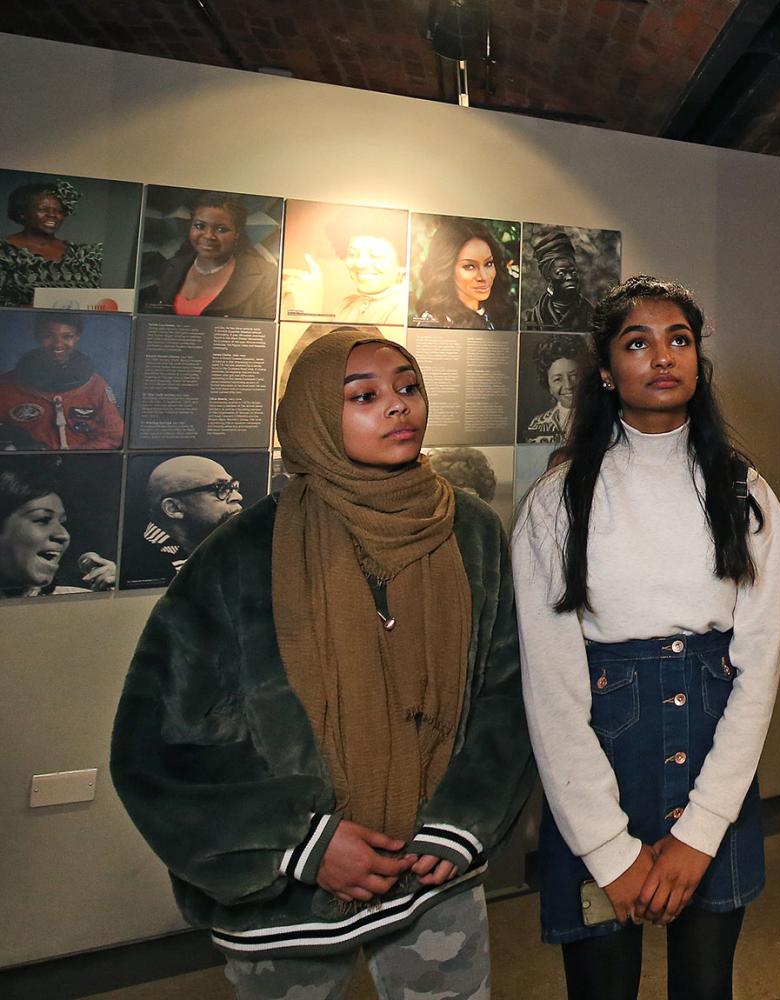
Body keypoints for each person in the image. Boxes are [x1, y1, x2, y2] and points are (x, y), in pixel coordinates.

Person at [110, 329, 533, 998]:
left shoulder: (472, 530)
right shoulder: (240, 555)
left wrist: (462, 824)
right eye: (363, 395)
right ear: (311, 416)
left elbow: (506, 691)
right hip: (287, 898)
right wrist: (300, 841)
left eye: (407, 386)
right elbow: (159, 743)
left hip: (432, 874)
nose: (397, 406)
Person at [513, 276, 780, 999]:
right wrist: (608, 849)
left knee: (705, 986)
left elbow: (757, 672)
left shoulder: (745, 494)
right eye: (638, 343)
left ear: (698, 362)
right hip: (600, 761)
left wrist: (701, 831)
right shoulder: (557, 503)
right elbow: (552, 688)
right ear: (606, 371)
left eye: (679, 340)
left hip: (714, 759)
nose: (662, 357)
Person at [138, 192, 279, 319]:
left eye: (220, 229)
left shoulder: (266, 275)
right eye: (200, 226)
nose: (208, 236)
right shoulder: (171, 267)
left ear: (237, 233)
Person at [0, 313, 125, 450]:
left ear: (77, 337)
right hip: (26, 467)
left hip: (79, 466)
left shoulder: (95, 386)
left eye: (67, 337)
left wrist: (76, 457)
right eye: (48, 336)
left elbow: (113, 435)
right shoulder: (7, 386)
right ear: (37, 336)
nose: (58, 344)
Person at [0, 465, 115, 596]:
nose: (64, 535)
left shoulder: (76, 599)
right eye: (43, 519)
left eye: (62, 522)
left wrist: (114, 598)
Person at [283, 208, 408, 324]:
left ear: (402, 263)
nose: (360, 264)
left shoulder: (404, 310)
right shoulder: (346, 305)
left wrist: (311, 312)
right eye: (353, 254)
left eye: (375, 256)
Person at [0, 180, 105, 308]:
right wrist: (27, 310)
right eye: (43, 209)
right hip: (19, 326)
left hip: (77, 327)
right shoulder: (4, 253)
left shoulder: (83, 256)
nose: (52, 215)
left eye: (59, 211)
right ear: (22, 213)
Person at [137, 455, 245, 579]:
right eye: (221, 488)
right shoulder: (138, 563)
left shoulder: (222, 550)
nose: (238, 496)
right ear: (173, 508)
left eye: (233, 487)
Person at [412, 218, 515, 330]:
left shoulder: (495, 312)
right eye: (469, 266)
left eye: (488, 264)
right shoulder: (433, 322)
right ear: (447, 270)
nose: (483, 277)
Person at [523, 229, 595, 331]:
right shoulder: (537, 315)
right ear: (547, 275)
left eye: (573, 273)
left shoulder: (589, 313)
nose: (569, 277)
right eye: (561, 273)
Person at [526, 335, 589, 443]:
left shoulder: (603, 418)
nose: (568, 385)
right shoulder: (538, 424)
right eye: (558, 379)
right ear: (548, 385)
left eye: (574, 375)